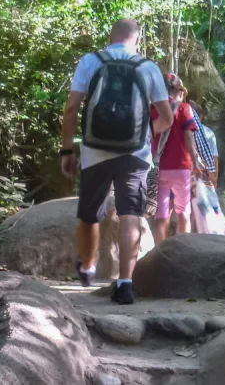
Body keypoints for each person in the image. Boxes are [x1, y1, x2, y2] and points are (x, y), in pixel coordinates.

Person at [60, 18, 173, 305]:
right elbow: (167, 117)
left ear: (111, 36)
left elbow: (72, 108)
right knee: (130, 213)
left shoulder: (91, 61)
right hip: (134, 154)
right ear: (137, 39)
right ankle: (124, 283)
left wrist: (66, 151)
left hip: (93, 152)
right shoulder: (148, 68)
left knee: (90, 213)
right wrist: (147, 134)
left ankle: (87, 267)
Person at [151, 73, 200, 243]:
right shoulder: (184, 109)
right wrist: (195, 161)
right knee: (183, 212)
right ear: (178, 90)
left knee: (161, 214)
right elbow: (188, 137)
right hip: (181, 167)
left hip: (159, 167)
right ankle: (182, 251)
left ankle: (160, 251)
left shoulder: (152, 109)